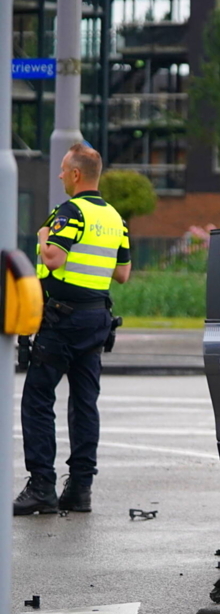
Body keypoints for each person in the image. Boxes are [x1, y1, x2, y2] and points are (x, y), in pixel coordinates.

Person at [14, 143, 131, 516]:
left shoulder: (71, 212)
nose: (61, 175)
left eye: (64, 170)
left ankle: (42, 487)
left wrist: (43, 235)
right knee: (84, 404)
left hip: (62, 320)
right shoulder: (115, 218)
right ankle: (80, 490)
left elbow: (54, 256)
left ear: (77, 174)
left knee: (37, 399)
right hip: (96, 318)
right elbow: (123, 273)